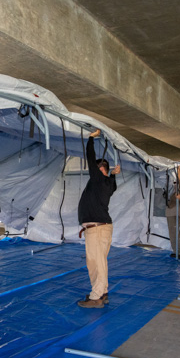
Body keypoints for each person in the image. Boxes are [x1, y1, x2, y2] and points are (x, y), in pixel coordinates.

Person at [77, 128, 121, 308]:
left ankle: (96, 297)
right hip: (97, 228)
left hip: (97, 229)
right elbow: (112, 185)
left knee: (98, 263)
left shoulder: (98, 180)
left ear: (99, 169)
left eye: (96, 168)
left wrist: (90, 139)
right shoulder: (107, 184)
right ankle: (101, 292)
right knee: (94, 262)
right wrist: (112, 175)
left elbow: (90, 157)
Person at [166, 167, 180, 259]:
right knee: (175, 233)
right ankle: (179, 251)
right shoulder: (174, 192)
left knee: (174, 234)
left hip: (175, 214)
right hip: (172, 214)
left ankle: (179, 252)